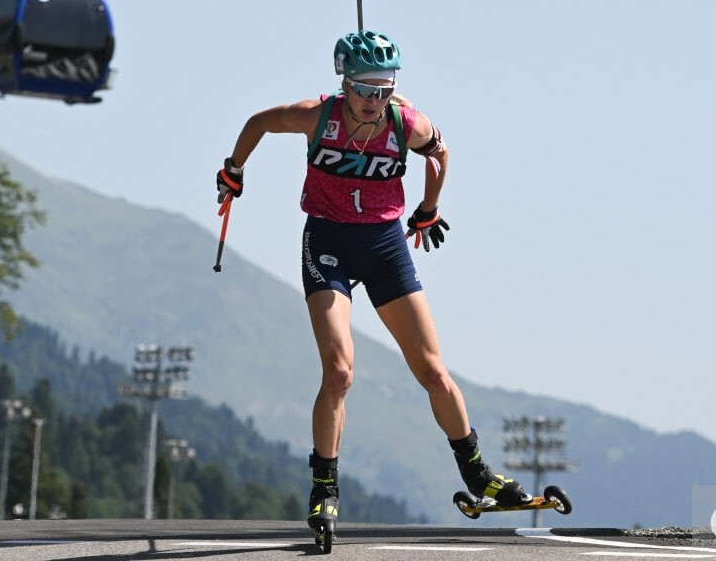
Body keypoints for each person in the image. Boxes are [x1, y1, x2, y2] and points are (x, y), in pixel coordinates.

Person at [216, 29, 530, 529]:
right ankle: (324, 488)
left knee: (433, 371)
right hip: (328, 243)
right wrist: (234, 169)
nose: (373, 101)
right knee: (339, 371)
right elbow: (258, 122)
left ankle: (477, 473)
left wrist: (428, 209)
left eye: (383, 90)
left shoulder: (406, 123)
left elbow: (440, 153)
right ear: (344, 84)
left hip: (384, 247)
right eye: (363, 89)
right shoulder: (316, 116)